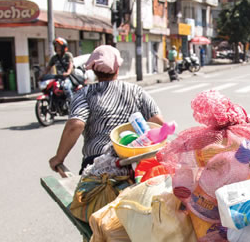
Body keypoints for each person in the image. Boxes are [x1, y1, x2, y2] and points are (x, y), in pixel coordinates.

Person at [49, 44, 166, 175]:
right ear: (117, 68)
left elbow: (75, 125)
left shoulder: (84, 93)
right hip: (136, 164)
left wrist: (59, 158)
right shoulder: (136, 91)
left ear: (93, 69)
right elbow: (158, 123)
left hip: (97, 166)